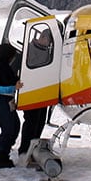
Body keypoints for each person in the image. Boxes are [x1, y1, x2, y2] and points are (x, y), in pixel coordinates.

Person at [18, 29, 53, 160]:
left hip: (44, 92)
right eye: (48, 41)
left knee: (40, 122)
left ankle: (33, 148)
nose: (49, 44)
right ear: (43, 38)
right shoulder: (29, 49)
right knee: (31, 122)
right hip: (31, 92)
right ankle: (24, 150)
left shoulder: (48, 51)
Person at [0, 42, 21, 167]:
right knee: (9, 128)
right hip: (4, 101)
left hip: (7, 101)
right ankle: (0, 156)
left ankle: (4, 152)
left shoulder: (3, 66)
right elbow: (6, 83)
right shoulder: (2, 67)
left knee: (14, 125)